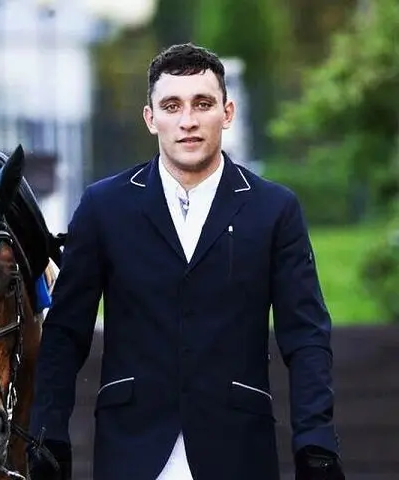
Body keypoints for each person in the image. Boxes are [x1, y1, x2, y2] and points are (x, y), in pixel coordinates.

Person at [25, 43, 345, 480]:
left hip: (238, 451)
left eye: (203, 104)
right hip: (131, 450)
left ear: (227, 113)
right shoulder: (104, 207)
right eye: (172, 106)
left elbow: (306, 334)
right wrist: (47, 434)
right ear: (150, 117)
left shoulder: (274, 209)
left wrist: (316, 441)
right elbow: (65, 330)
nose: (188, 120)